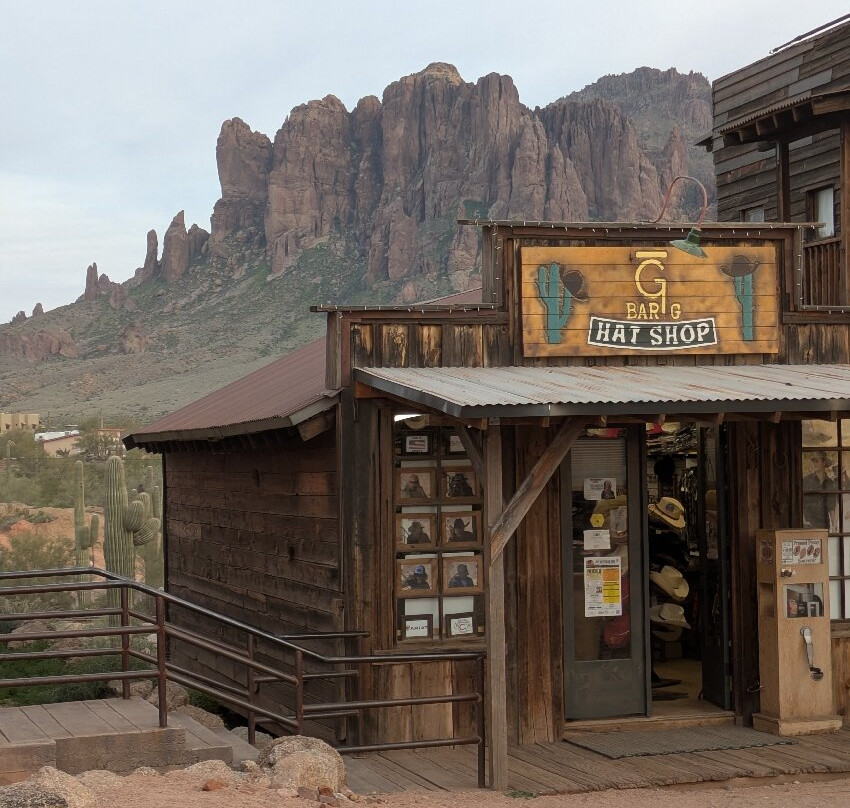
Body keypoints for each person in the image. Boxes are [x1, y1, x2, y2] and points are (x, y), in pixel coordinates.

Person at [802, 451, 836, 529]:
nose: (814, 464)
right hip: (808, 524)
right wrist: (804, 521)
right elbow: (800, 503)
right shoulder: (806, 480)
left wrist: (834, 526)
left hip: (824, 524)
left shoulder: (830, 483)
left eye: (816, 461)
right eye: (813, 462)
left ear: (824, 462)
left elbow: (832, 506)